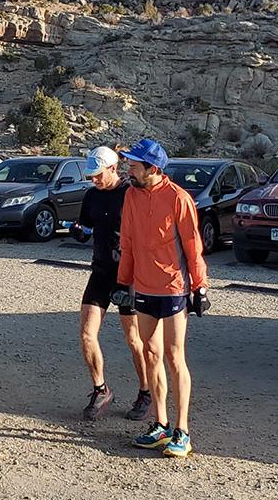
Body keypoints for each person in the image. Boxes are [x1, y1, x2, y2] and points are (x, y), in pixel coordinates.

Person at [117, 138, 208, 458]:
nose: (128, 168)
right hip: (143, 288)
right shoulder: (130, 195)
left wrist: (200, 286)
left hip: (173, 288)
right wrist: (122, 281)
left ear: (152, 169)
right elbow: (126, 240)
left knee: (173, 356)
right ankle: (160, 425)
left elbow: (193, 245)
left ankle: (182, 431)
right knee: (151, 354)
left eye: (133, 164)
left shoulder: (178, 198)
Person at [72, 146, 149, 421]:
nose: (93, 180)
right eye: (90, 175)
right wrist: (80, 232)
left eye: (98, 175)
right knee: (86, 333)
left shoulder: (130, 194)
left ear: (113, 169)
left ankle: (145, 391)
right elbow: (86, 225)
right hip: (101, 271)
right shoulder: (91, 195)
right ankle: (100, 389)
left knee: (133, 338)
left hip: (128, 274)